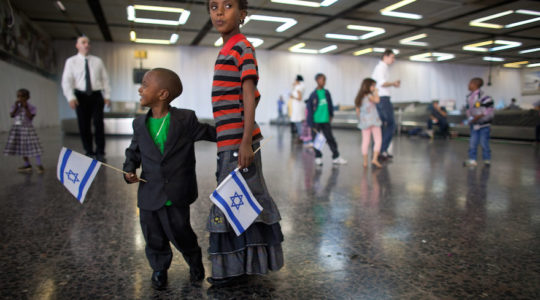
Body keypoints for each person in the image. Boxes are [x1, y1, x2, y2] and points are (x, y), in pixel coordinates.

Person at [206, 0, 284, 286]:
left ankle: (233, 270)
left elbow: (249, 95)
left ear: (242, 14)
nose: (219, 11)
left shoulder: (242, 47)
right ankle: (242, 267)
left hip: (238, 142)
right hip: (228, 141)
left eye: (227, 5)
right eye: (213, 6)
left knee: (235, 203)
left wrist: (245, 142)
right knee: (239, 203)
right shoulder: (225, 49)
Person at [123, 68, 216, 289]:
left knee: (181, 232)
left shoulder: (185, 119)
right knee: (152, 235)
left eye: (145, 85)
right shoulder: (139, 124)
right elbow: (133, 151)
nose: (140, 89)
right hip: (149, 192)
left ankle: (194, 261)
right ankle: (159, 269)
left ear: (163, 94)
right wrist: (129, 169)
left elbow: (210, 133)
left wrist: (241, 134)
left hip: (176, 192)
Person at [62, 36, 111, 161]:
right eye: (83, 42)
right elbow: (67, 81)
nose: (86, 45)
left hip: (96, 95)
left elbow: (105, 79)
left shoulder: (97, 61)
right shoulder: (71, 62)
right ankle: (89, 150)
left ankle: (100, 150)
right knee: (84, 124)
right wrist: (70, 97)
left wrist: (107, 96)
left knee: (99, 123)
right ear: (77, 45)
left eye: (88, 42)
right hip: (80, 96)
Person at [307, 73, 347, 166]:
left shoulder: (326, 93)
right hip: (316, 121)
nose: (323, 82)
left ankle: (336, 157)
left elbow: (330, 104)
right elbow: (309, 109)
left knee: (330, 139)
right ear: (317, 81)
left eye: (324, 80)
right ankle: (318, 157)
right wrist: (311, 123)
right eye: (321, 80)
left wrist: (331, 115)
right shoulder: (313, 94)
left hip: (325, 120)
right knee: (316, 140)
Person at [3, 88, 44, 173]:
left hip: (28, 129)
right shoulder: (15, 106)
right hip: (18, 129)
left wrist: (25, 107)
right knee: (22, 148)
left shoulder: (31, 107)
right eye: (18, 96)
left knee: (34, 146)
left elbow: (30, 117)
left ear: (28, 97)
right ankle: (27, 164)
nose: (20, 98)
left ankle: (39, 164)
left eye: (22, 96)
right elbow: (12, 115)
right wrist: (16, 107)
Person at [371, 49, 400, 160]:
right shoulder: (380, 68)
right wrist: (393, 83)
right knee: (391, 124)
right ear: (385, 56)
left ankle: (379, 150)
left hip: (382, 98)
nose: (393, 60)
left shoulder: (382, 68)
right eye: (392, 57)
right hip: (382, 99)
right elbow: (382, 83)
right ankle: (381, 150)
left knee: (382, 125)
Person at [463, 77, 494, 167]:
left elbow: (489, 109)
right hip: (474, 124)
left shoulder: (485, 96)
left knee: (484, 142)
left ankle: (487, 160)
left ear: (475, 84)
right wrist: (470, 119)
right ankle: (472, 159)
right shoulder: (469, 97)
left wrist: (478, 117)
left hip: (484, 124)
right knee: (473, 142)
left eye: (470, 83)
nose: (468, 85)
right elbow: (468, 109)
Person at [355, 78, 382, 168]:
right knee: (378, 140)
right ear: (368, 86)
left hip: (364, 122)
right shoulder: (369, 96)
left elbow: (357, 111)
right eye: (373, 86)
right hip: (374, 121)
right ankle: (374, 159)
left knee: (365, 141)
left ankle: (365, 162)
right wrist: (376, 92)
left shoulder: (359, 98)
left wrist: (362, 119)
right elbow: (377, 100)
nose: (374, 87)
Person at [289, 75, 305, 142]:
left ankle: (300, 137)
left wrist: (292, 96)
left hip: (298, 107)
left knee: (298, 122)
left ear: (297, 80)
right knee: (297, 122)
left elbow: (299, 98)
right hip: (297, 106)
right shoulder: (299, 87)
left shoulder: (298, 87)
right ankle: (300, 136)